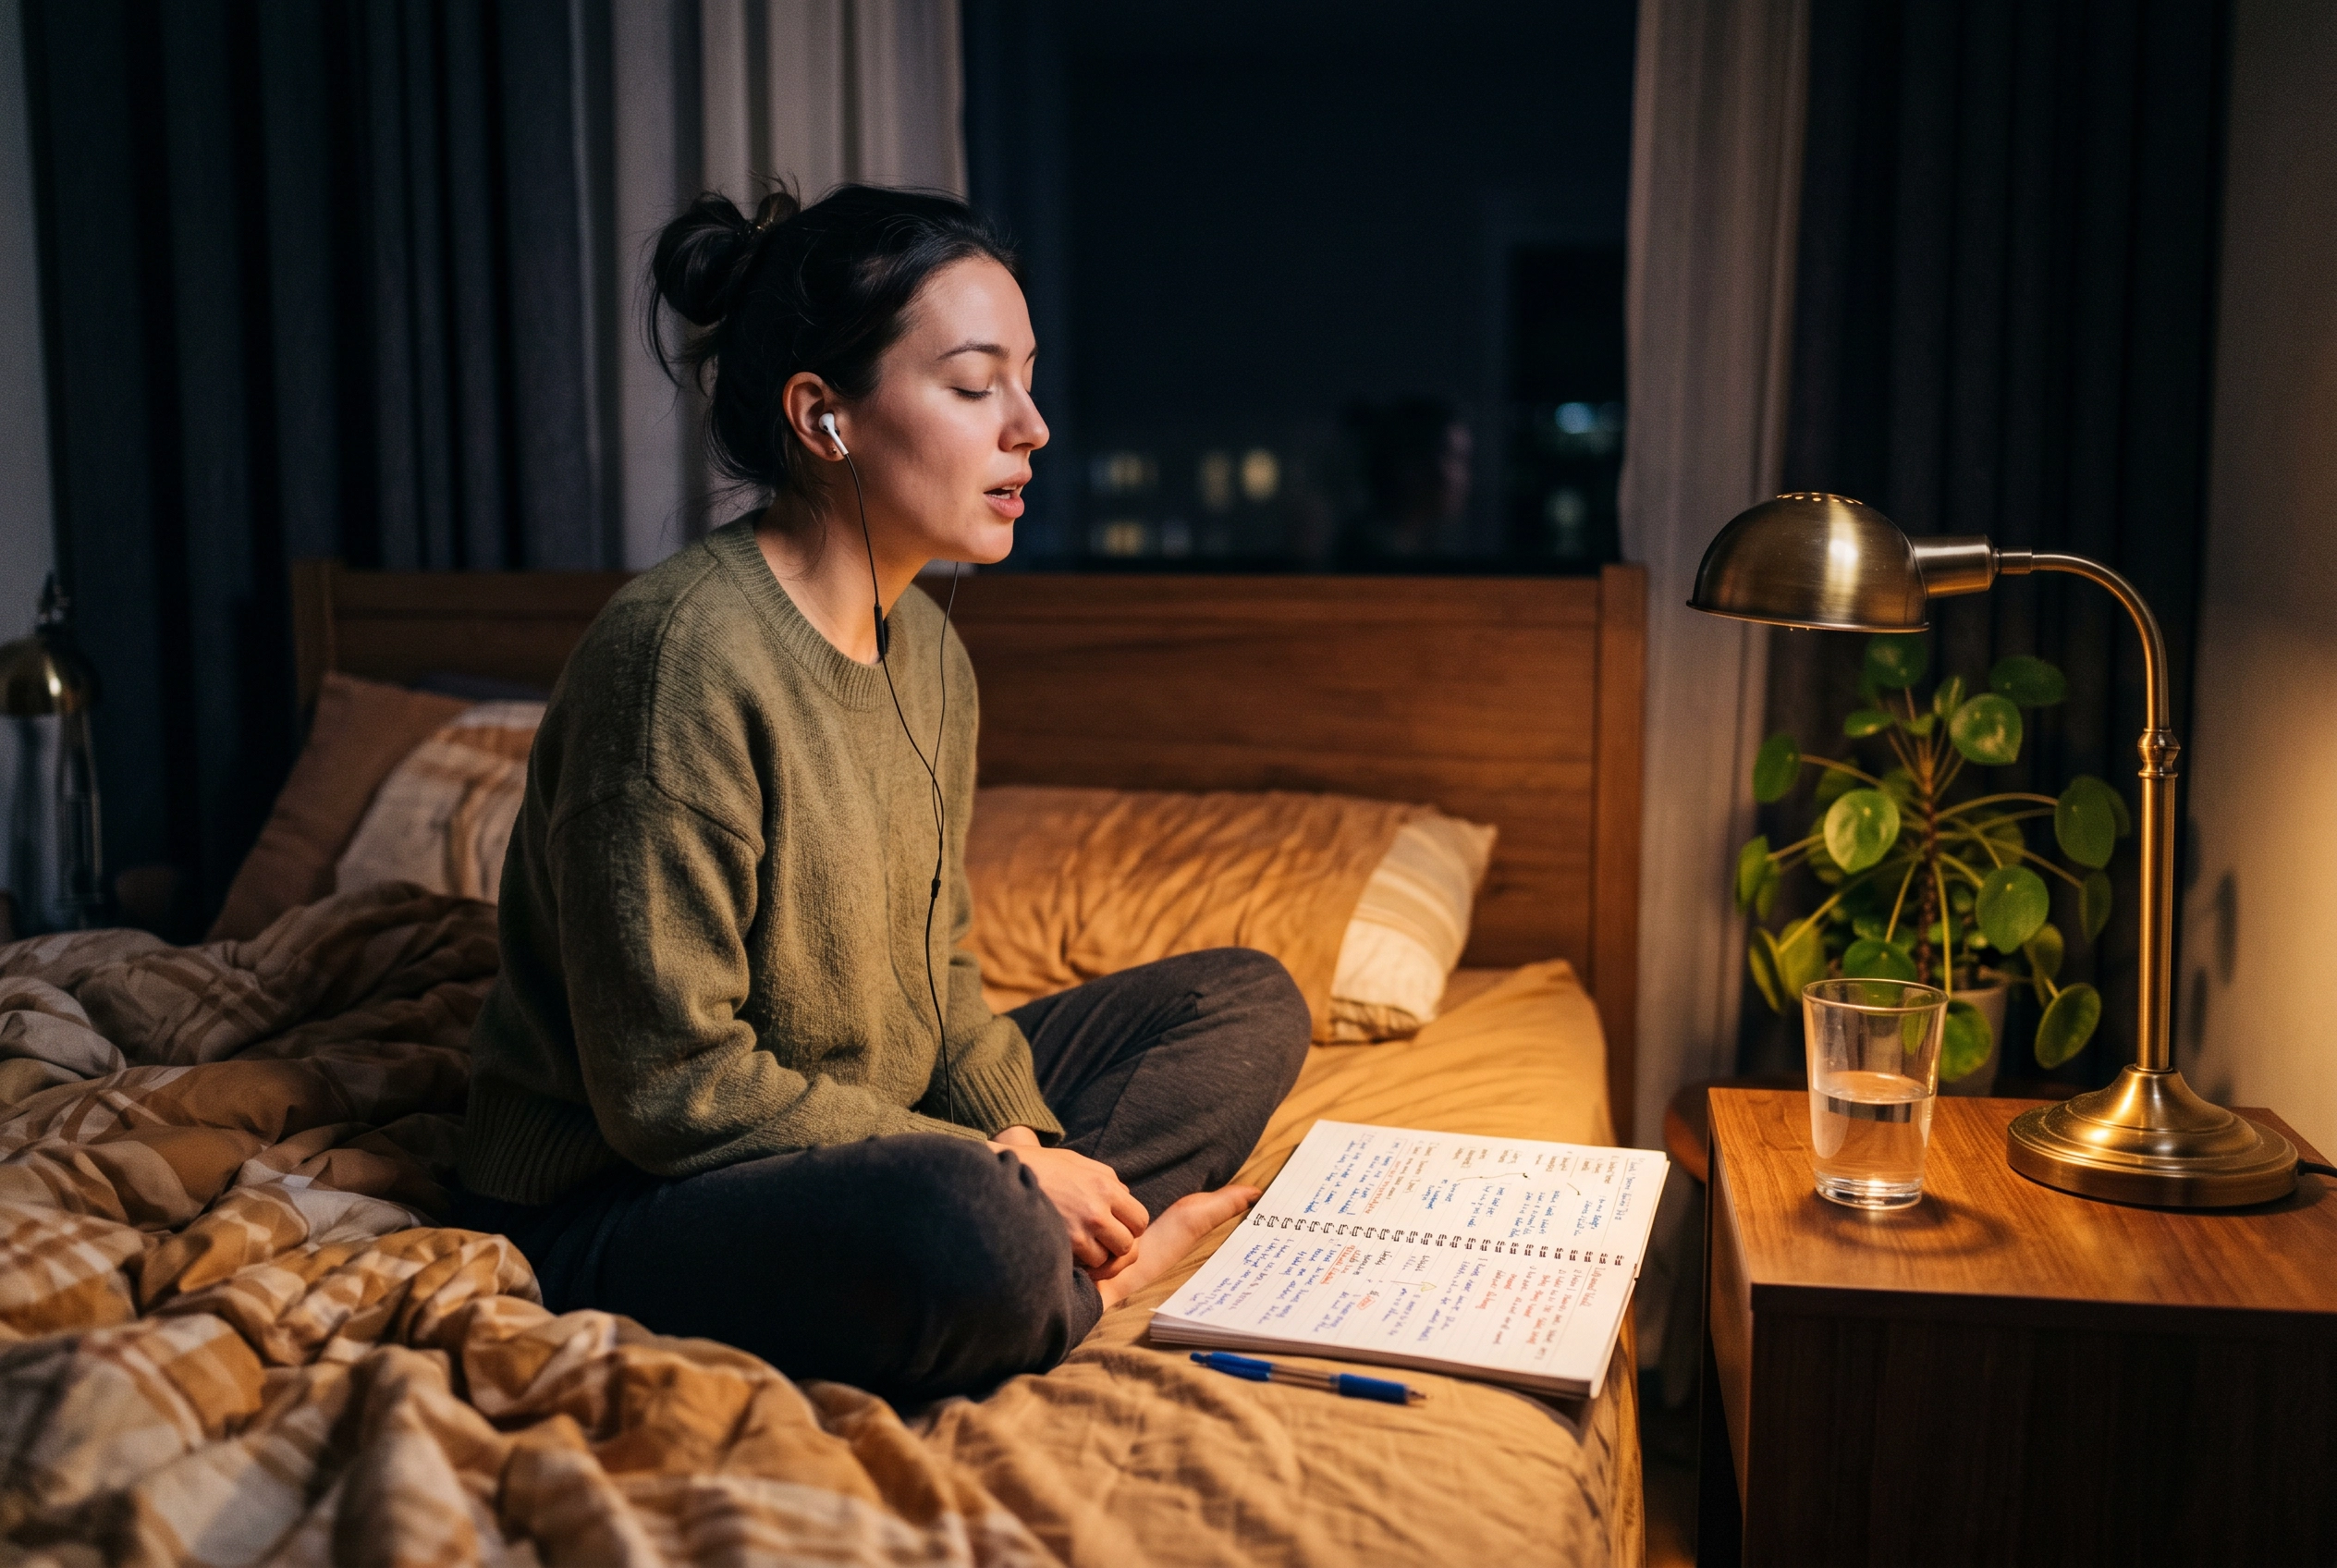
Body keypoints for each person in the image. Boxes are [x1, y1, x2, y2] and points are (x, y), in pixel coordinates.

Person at [449, 183, 1310, 1405]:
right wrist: (993, 1172)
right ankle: (1075, 1277)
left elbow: (939, 973)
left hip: (872, 1123)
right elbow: (667, 1093)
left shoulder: (933, 658)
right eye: (975, 387)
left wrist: (1024, 1142)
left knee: (1244, 1000)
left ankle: (1045, 1245)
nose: (1034, 427)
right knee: (973, 1229)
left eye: (1027, 378)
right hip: (631, 1195)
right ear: (825, 418)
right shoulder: (678, 659)